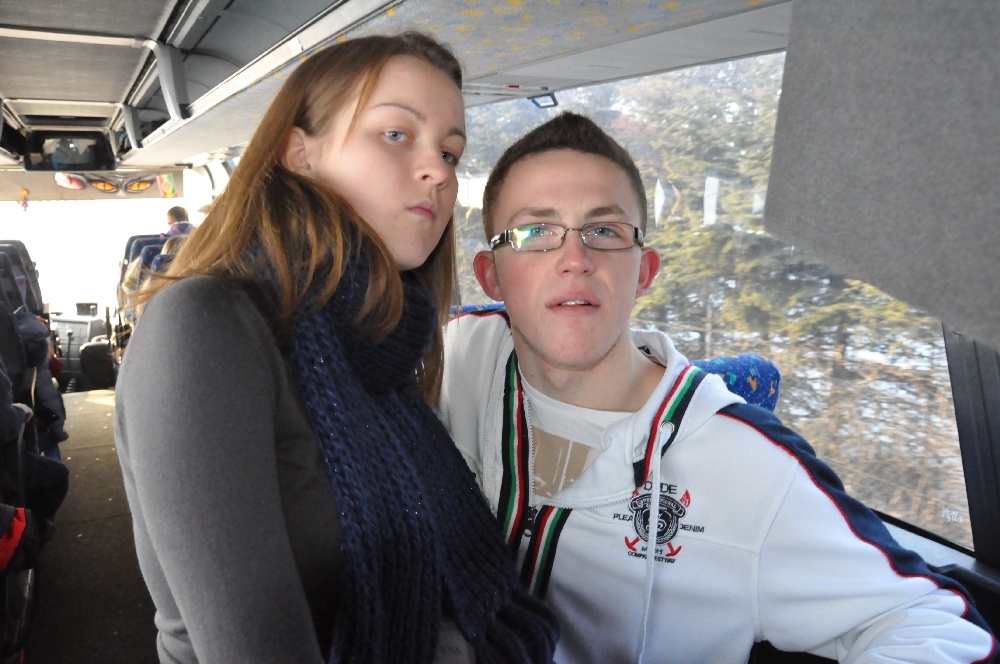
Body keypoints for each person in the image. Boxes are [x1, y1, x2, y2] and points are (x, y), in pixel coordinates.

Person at [438, 112, 998, 663]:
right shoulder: (454, 357)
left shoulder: (748, 465)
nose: (575, 259)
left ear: (644, 271)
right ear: (490, 275)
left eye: (604, 231)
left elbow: (939, 629)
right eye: (536, 232)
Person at [115, 32, 558, 664]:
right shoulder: (206, 326)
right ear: (300, 153)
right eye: (396, 134)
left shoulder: (377, 350)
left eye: (450, 151)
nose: (438, 171)